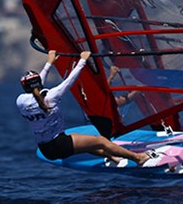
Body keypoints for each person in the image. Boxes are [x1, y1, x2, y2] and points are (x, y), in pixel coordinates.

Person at [16, 50, 160, 167]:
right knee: (101, 141)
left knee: (85, 143)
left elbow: (37, 84)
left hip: (46, 148)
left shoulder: (21, 101)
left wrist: (49, 63)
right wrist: (82, 61)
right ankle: (138, 158)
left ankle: (114, 159)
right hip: (60, 144)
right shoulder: (51, 97)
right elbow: (69, 81)